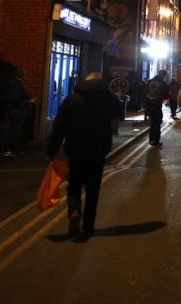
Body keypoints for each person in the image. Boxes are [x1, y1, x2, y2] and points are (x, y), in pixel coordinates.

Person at [47, 72, 116, 239]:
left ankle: (74, 210)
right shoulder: (106, 98)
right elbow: (119, 111)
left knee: (74, 186)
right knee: (93, 189)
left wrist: (52, 150)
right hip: (98, 149)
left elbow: (59, 127)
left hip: (76, 148)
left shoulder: (72, 99)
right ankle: (88, 226)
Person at [5, 67, 30, 155]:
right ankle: (13, 149)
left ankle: (12, 149)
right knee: (16, 130)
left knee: (14, 129)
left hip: (14, 110)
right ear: (21, 74)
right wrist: (27, 101)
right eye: (25, 74)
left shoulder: (14, 84)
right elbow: (16, 99)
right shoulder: (17, 85)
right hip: (17, 110)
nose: (26, 76)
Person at [144, 70, 169, 146]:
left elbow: (144, 92)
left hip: (149, 105)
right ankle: (156, 141)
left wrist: (145, 105)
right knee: (157, 123)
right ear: (163, 75)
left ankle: (151, 139)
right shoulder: (163, 83)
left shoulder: (149, 81)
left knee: (152, 123)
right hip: (157, 105)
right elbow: (166, 95)